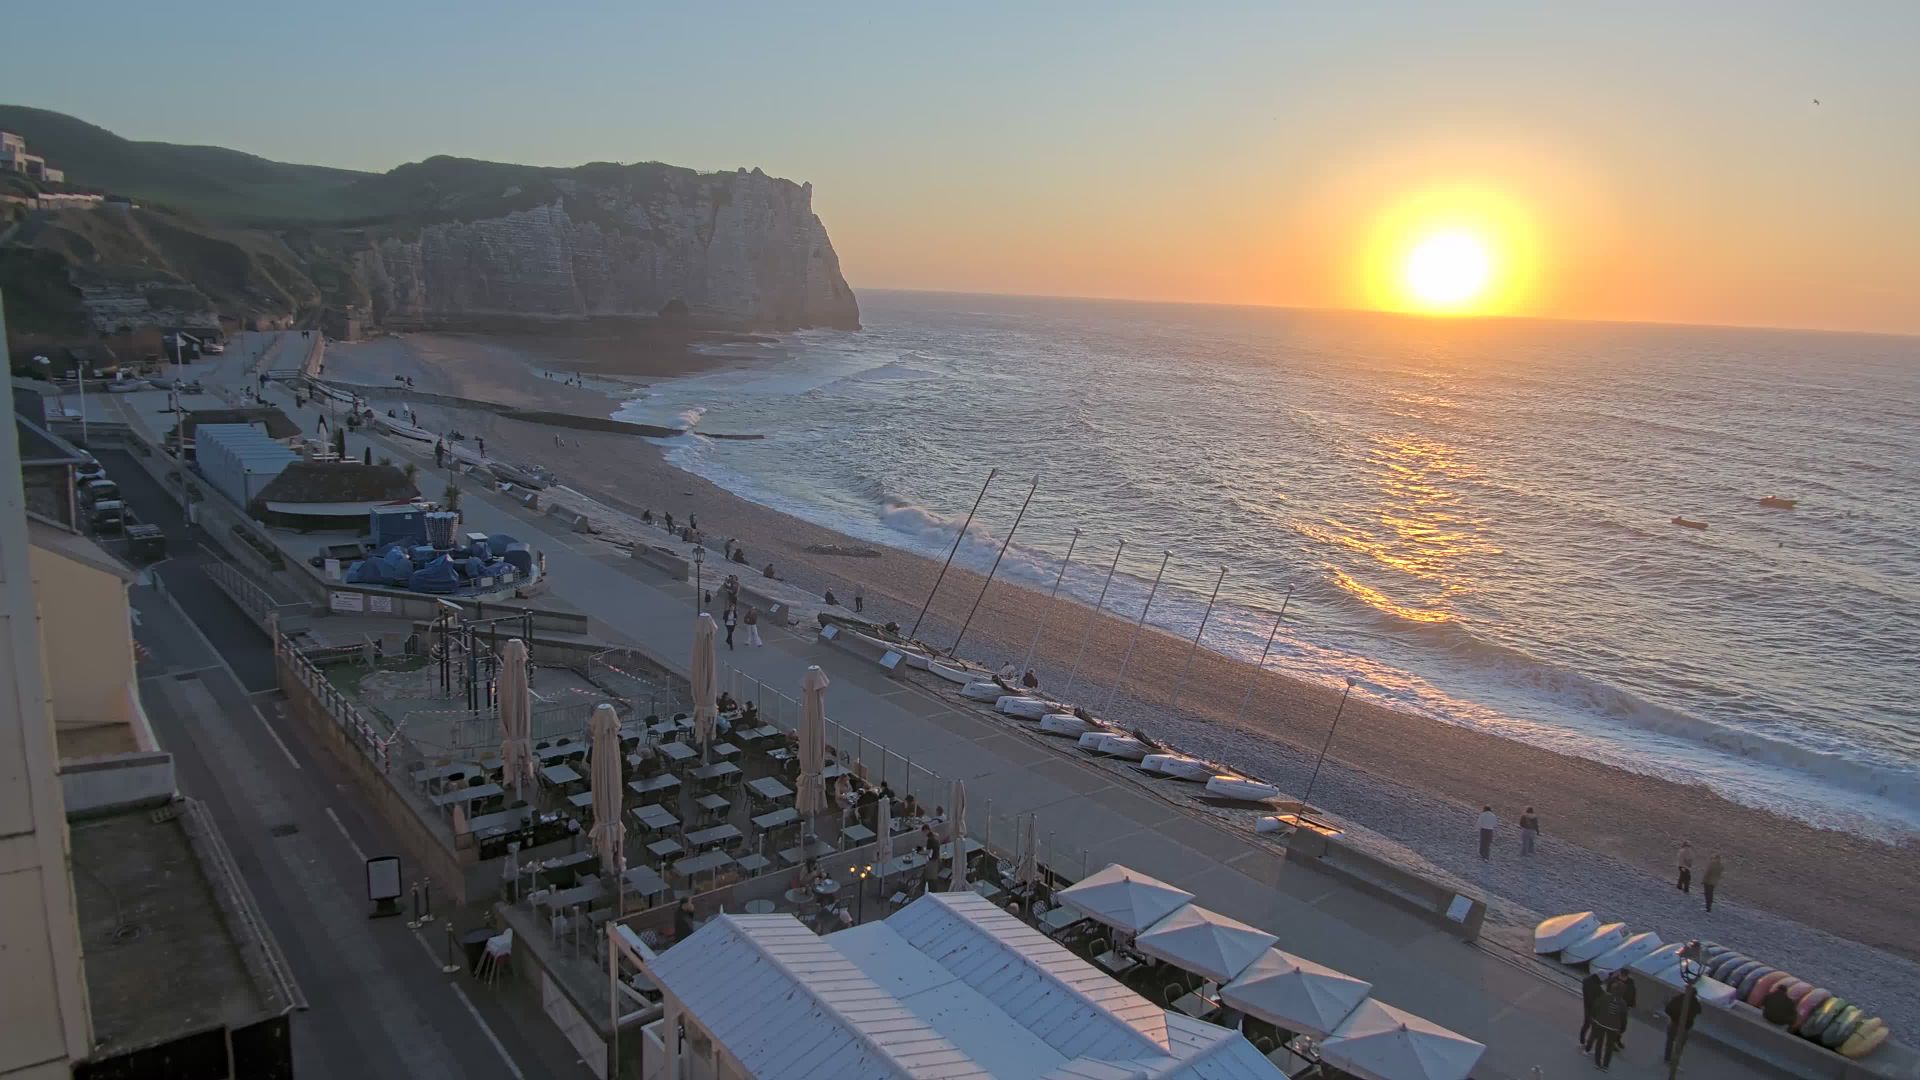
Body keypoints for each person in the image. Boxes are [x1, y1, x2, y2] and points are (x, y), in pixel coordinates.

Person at [1590, 978, 1626, 1070]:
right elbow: (1623, 1018)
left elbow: (1596, 1006)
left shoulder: (1605, 996)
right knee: (1609, 1047)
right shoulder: (1622, 1003)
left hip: (1600, 1023)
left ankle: (1597, 1063)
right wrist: (1622, 1029)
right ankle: (1605, 1066)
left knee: (1599, 1043)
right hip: (1613, 1028)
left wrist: (1594, 1017)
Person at [1664, 989, 1702, 1063]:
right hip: (1685, 1027)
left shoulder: (1678, 998)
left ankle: (1667, 1058)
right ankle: (1675, 1060)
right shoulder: (1695, 1003)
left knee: (1670, 1041)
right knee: (1680, 1045)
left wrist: (1673, 1017)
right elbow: (1699, 1011)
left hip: (1674, 1023)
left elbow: (1668, 1008)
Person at [1579, 969, 1605, 1049]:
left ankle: (1582, 1041)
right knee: (1594, 1028)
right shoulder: (1598, 988)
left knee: (1586, 1024)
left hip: (1586, 1005)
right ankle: (1587, 1046)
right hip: (1594, 1009)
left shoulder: (1586, 980)